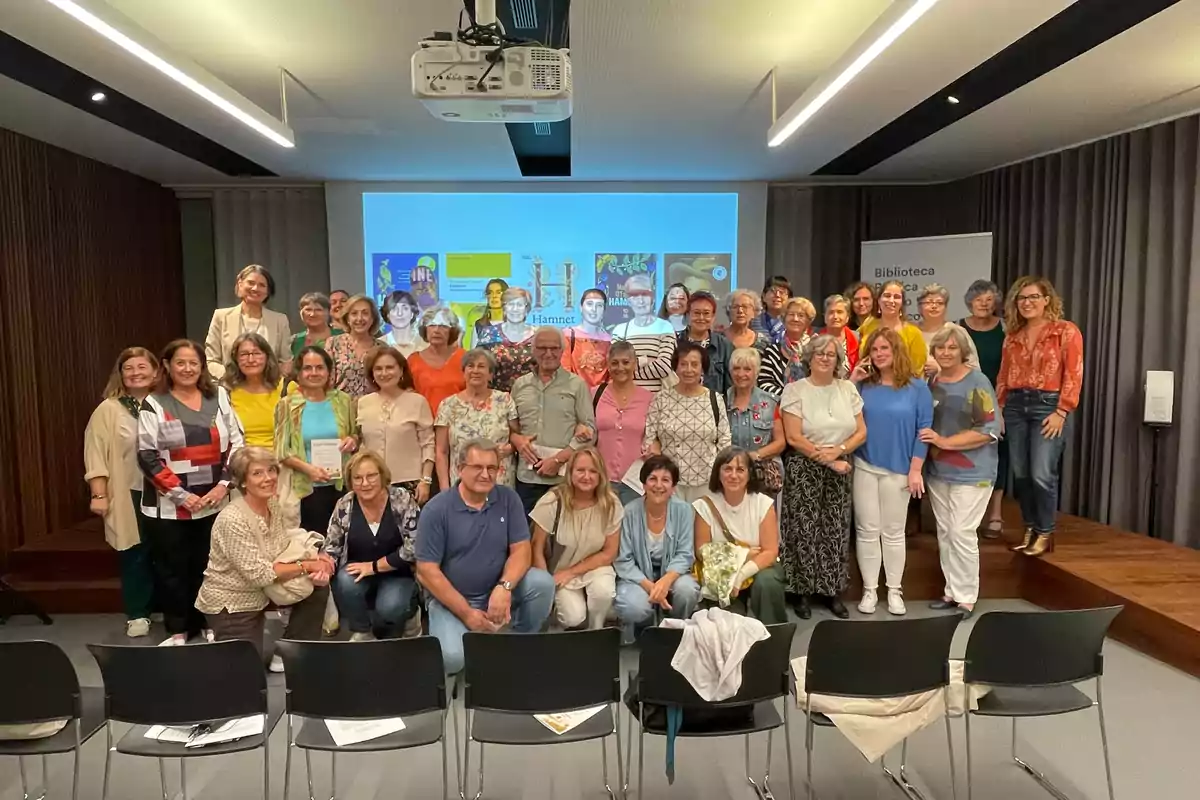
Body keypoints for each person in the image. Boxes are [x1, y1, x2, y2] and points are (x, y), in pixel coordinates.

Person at [415, 439, 555, 674]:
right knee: (452, 659)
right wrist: (467, 614)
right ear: (460, 469)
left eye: (492, 468)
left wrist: (505, 587)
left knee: (542, 583)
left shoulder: (508, 499)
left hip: (497, 591)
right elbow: (426, 572)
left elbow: (522, 549)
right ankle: (474, 637)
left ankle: (518, 642)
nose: (485, 474)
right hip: (452, 601)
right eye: (477, 467)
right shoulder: (436, 509)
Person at [138, 339, 244, 646]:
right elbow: (147, 455)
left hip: (214, 501)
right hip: (168, 506)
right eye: (180, 363)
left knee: (210, 567)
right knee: (172, 570)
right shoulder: (154, 402)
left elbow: (238, 443)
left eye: (193, 363)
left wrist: (223, 485)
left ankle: (209, 623)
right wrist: (182, 496)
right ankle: (178, 629)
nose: (187, 369)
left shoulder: (219, 396)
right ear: (167, 366)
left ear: (202, 368)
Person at [195, 447, 333, 669]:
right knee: (246, 676)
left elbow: (281, 547)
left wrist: (319, 558)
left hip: (265, 590)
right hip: (233, 602)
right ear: (242, 481)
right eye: (257, 473)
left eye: (271, 470)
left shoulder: (271, 504)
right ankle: (224, 643)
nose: (268, 478)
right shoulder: (233, 520)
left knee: (318, 586)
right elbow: (260, 575)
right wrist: (307, 564)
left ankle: (289, 651)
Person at [779, 334, 866, 619]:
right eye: (820, 353)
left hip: (841, 463)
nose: (825, 358)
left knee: (835, 530)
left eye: (831, 354)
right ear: (809, 358)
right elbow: (793, 436)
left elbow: (860, 432)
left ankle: (830, 592)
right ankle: (801, 593)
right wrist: (827, 459)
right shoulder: (795, 390)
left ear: (838, 360)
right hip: (804, 466)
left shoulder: (848, 389)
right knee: (803, 530)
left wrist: (839, 451)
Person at [996, 276, 1083, 557]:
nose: (1027, 303)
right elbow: (1003, 375)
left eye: (1034, 297)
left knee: (1041, 473)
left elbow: (1074, 372)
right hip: (1016, 405)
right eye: (1022, 298)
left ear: (1047, 300)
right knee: (1021, 475)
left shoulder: (1065, 331)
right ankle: (1030, 527)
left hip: (1048, 405)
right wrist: (999, 409)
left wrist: (1062, 411)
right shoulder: (1013, 335)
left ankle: (1045, 531)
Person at [849, 328, 933, 616]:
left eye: (884, 348)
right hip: (864, 465)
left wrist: (915, 470)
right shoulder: (863, 385)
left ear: (897, 351)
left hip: (900, 469)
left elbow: (924, 432)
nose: (879, 354)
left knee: (893, 533)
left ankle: (895, 591)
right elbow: (844, 414)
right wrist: (852, 380)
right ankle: (870, 590)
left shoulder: (918, 387)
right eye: (874, 350)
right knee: (867, 530)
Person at [920, 326, 1000, 618]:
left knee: (961, 532)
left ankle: (967, 597)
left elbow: (989, 430)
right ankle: (951, 591)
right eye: (941, 348)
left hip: (974, 471)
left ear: (964, 351)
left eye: (952, 348)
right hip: (939, 471)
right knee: (945, 532)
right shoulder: (931, 380)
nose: (946, 353)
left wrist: (944, 442)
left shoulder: (977, 381)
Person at [84, 347, 159, 637]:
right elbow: (95, 455)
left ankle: (178, 612)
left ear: (156, 372)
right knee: (134, 553)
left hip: (170, 493)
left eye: (142, 367)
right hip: (130, 492)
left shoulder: (167, 404)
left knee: (171, 553)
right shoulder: (109, 409)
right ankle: (138, 614)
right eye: (129, 368)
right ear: (121, 373)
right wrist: (98, 494)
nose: (136, 372)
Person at [325, 451, 421, 641]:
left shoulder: (402, 499)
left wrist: (374, 567)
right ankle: (363, 631)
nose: (365, 483)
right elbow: (332, 546)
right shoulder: (345, 505)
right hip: (358, 569)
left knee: (390, 608)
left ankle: (411, 617)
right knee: (344, 581)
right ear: (350, 482)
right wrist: (323, 564)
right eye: (358, 478)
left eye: (371, 476)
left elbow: (415, 547)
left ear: (382, 476)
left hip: (399, 572)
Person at [529, 447, 622, 630]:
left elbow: (609, 553)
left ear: (601, 475)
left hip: (594, 567)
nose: (586, 476)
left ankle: (596, 629)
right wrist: (546, 585)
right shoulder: (552, 502)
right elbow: (536, 548)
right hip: (559, 572)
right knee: (573, 618)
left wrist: (572, 572)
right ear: (570, 472)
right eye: (580, 470)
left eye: (593, 471)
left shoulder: (611, 504)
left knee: (603, 592)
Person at [694, 448, 787, 624]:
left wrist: (742, 573)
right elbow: (701, 551)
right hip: (722, 572)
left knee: (767, 583)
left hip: (758, 568)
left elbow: (770, 552)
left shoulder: (763, 503)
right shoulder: (704, 505)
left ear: (749, 474)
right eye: (727, 469)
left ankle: (773, 637)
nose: (733, 475)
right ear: (718, 473)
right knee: (728, 626)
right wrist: (744, 553)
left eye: (740, 470)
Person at [509, 327, 597, 513]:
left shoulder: (577, 385)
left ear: (562, 350)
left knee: (562, 538)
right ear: (533, 350)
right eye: (542, 348)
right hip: (527, 478)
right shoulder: (520, 385)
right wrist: (516, 439)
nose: (548, 353)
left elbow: (590, 432)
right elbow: (510, 428)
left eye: (554, 348)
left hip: (563, 479)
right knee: (527, 535)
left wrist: (557, 460)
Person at [275, 346, 359, 534]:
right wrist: (309, 470)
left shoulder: (343, 400)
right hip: (306, 490)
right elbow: (281, 452)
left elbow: (355, 435)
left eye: (320, 367)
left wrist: (352, 440)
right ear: (299, 372)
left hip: (341, 487)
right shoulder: (287, 405)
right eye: (308, 368)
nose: (314, 373)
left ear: (329, 371)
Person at [614, 455, 701, 624]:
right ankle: (644, 631)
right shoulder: (629, 512)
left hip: (673, 573)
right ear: (644, 484)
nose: (659, 485)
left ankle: (675, 626)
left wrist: (665, 581)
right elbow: (623, 559)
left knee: (687, 590)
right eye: (652, 479)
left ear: (673, 487)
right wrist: (651, 587)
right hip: (638, 576)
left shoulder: (683, 510)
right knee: (635, 606)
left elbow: (685, 554)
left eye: (666, 480)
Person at [643, 341, 732, 503]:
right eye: (683, 364)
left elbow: (724, 441)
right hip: (669, 483)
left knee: (703, 527)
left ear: (702, 368)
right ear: (675, 367)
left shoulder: (715, 399)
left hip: (707, 482)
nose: (689, 370)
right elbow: (649, 436)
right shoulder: (661, 398)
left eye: (694, 364)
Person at [959, 279, 1007, 538]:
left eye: (989, 300)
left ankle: (996, 514)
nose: (984, 304)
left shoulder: (1005, 328)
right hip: (965, 403)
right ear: (970, 302)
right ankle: (969, 515)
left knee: (999, 455)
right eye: (979, 300)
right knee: (967, 455)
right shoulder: (957, 328)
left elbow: (1010, 368)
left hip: (998, 400)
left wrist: (1000, 405)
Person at [358, 346, 435, 504]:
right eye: (378, 369)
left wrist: (425, 481)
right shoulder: (363, 403)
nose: (384, 373)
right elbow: (361, 443)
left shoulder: (417, 402)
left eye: (390, 367)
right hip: (372, 485)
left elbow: (428, 444)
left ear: (401, 370)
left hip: (410, 484)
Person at [435, 349, 518, 490]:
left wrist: (510, 448)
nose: (475, 370)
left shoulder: (505, 400)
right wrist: (444, 487)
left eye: (481, 366)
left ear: (490, 374)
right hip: (461, 483)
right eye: (470, 366)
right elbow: (441, 451)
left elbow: (516, 437)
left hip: (499, 481)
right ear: (463, 372)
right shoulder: (447, 405)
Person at [205, 264, 292, 380]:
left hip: (269, 390)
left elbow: (286, 361)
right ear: (240, 284)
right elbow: (211, 360)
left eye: (262, 285)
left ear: (268, 291)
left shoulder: (280, 320)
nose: (255, 288)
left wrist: (270, 383)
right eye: (251, 283)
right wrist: (233, 380)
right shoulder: (221, 317)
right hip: (230, 387)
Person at [593, 341, 653, 507]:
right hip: (600, 480)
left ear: (634, 364)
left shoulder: (649, 399)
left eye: (626, 362)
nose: (620, 367)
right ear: (608, 365)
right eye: (615, 363)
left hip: (636, 482)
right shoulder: (594, 394)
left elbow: (655, 437)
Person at [726, 348, 785, 494]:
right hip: (731, 476)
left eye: (747, 369)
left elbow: (780, 442)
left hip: (764, 478)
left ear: (756, 372)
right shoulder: (721, 401)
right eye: (736, 368)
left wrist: (755, 456)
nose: (741, 374)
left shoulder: (771, 402)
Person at [609, 273, 676, 393]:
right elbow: (616, 371)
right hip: (628, 401)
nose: (640, 300)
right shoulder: (620, 331)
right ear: (628, 300)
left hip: (659, 404)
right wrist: (646, 360)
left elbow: (664, 367)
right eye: (634, 295)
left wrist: (630, 368)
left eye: (645, 294)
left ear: (653, 297)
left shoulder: (665, 327)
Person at [857, 280, 927, 379]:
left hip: (902, 389)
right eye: (887, 296)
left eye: (897, 297)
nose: (891, 300)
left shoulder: (914, 333)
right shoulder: (868, 326)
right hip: (868, 386)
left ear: (902, 303)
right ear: (879, 300)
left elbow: (917, 372)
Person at [224, 333, 283, 450]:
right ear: (236, 359)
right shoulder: (226, 392)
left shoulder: (286, 388)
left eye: (256, 353)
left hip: (280, 460)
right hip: (241, 460)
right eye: (244, 354)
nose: (251, 360)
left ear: (267, 357)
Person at [409, 304, 467, 419]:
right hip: (423, 425)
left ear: (452, 331)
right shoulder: (413, 361)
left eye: (443, 326)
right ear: (425, 330)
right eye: (432, 325)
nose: (436, 330)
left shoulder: (465, 357)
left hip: (460, 425)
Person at [725, 288, 785, 396]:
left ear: (755, 312)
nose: (740, 311)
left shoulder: (764, 342)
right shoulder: (719, 340)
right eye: (735, 307)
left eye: (745, 307)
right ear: (729, 311)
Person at [325, 294, 386, 398]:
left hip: (371, 409)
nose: (360, 318)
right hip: (341, 409)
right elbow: (327, 382)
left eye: (365, 313)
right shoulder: (333, 343)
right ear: (347, 318)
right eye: (354, 313)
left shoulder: (382, 347)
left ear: (372, 319)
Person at [478, 287, 538, 392]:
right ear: (504, 308)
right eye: (510, 304)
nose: (515, 309)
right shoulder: (490, 334)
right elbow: (478, 366)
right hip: (496, 399)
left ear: (527, 309)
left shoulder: (538, 336)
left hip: (529, 399)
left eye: (519, 305)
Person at [916, 283, 980, 377]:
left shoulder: (957, 331)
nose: (934, 306)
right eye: (929, 302)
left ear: (945, 308)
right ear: (919, 308)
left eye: (939, 303)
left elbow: (974, 368)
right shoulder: (910, 331)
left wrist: (941, 369)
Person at [677, 291, 732, 394]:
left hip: (715, 406)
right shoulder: (676, 343)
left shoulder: (724, 346)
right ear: (688, 315)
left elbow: (730, 387)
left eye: (706, 313)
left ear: (713, 317)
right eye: (697, 313)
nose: (701, 318)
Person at [760, 296, 817, 392]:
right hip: (779, 404)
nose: (795, 319)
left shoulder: (815, 350)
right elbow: (763, 383)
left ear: (808, 321)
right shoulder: (771, 351)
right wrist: (788, 397)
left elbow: (821, 380)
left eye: (801, 315)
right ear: (783, 319)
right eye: (791, 314)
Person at [562, 288, 613, 389]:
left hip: (602, 399)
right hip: (576, 397)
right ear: (581, 308)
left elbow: (611, 375)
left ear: (604, 310)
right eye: (589, 304)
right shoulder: (568, 335)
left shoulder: (609, 340)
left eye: (599, 305)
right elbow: (564, 372)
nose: (594, 309)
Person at [288, 292, 341, 365]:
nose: (312, 314)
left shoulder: (342, 336)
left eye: (318, 310)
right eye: (308, 310)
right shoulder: (294, 341)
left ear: (328, 312)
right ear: (301, 313)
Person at [819, 294, 859, 378]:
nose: (835, 317)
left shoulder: (858, 338)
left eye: (840, 312)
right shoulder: (815, 340)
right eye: (831, 312)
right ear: (825, 317)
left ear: (847, 317)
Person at [381, 290, 427, 358]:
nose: (400, 313)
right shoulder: (380, 344)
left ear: (412, 314)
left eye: (405, 308)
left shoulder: (425, 344)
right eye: (394, 309)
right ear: (388, 315)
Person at [750, 275, 792, 343]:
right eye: (773, 291)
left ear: (789, 298)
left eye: (782, 292)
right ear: (764, 296)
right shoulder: (753, 323)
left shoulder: (793, 323)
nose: (777, 295)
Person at [470, 278, 509, 345]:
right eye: (490, 293)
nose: (494, 296)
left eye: (498, 292)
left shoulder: (514, 325)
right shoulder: (479, 326)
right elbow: (473, 354)